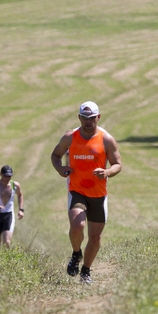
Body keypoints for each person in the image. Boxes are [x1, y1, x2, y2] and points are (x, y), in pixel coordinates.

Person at [50, 101, 122, 285]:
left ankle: (86, 271)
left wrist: (106, 172)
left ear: (98, 117)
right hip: (77, 190)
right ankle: (76, 254)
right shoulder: (70, 137)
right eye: (84, 118)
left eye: (92, 118)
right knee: (77, 226)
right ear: (79, 117)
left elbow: (117, 164)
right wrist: (60, 168)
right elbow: (55, 155)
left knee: (95, 237)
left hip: (98, 193)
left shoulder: (106, 139)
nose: (88, 122)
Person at [0, 166, 24, 246]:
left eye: (9, 176)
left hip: (8, 215)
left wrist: (21, 209)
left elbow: (20, 195)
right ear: (1, 174)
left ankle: (8, 258)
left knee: (7, 242)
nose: (7, 178)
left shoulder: (15, 185)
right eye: (5, 176)